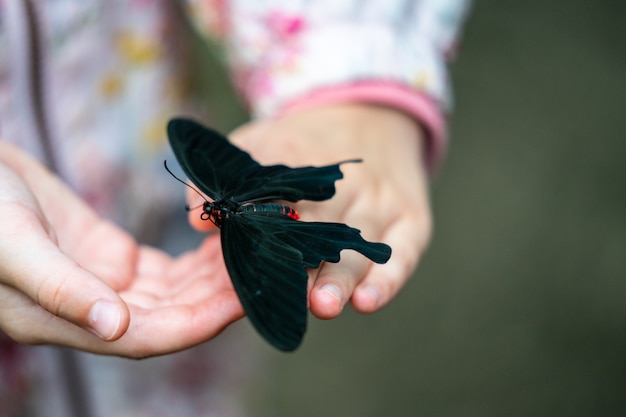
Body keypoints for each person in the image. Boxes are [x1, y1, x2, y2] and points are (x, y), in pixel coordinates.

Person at [0, 0, 471, 415]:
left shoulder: (222, 225)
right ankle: (340, 232)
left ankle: (340, 231)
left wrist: (346, 64)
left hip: (152, 220)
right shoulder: (222, 212)